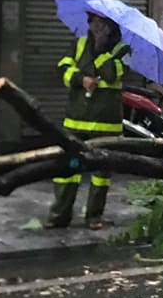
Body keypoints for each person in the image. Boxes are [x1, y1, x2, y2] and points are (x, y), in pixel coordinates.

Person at [47, 14, 131, 230]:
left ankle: (94, 216)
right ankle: (59, 216)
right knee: (69, 169)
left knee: (100, 174)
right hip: (76, 122)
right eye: (94, 23)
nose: (97, 28)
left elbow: (112, 74)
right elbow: (63, 69)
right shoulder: (78, 44)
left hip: (106, 125)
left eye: (102, 24)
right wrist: (80, 79)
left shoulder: (123, 50)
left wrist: (102, 50)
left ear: (111, 28)